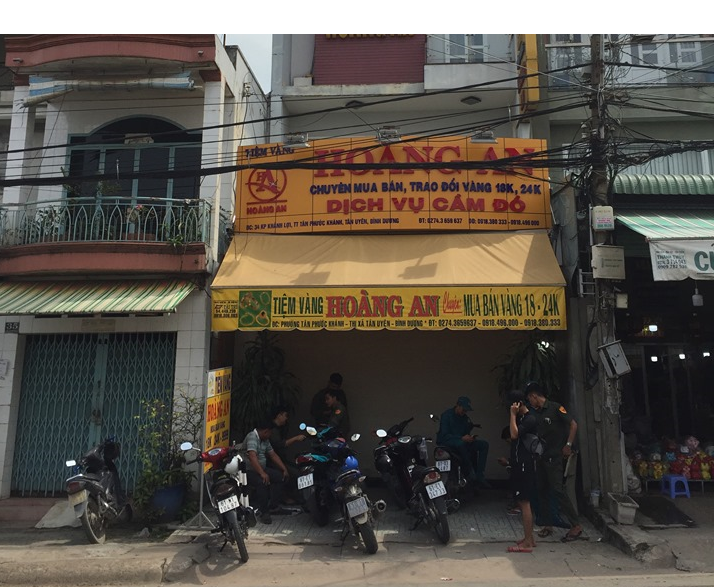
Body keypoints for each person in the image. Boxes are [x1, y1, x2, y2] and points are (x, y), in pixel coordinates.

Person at [525, 381, 583, 542]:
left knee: (558, 489)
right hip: (540, 457)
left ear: (534, 396)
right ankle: (547, 524)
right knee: (542, 490)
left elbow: (573, 424)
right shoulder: (534, 412)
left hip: (554, 456)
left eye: (529, 398)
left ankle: (576, 525)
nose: (530, 402)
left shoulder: (555, 408)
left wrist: (568, 445)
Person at [506, 390, 539, 553]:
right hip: (518, 463)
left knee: (524, 502)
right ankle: (529, 538)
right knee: (522, 501)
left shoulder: (529, 419)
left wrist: (512, 415)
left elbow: (514, 434)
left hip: (525, 464)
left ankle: (527, 543)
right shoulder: (522, 418)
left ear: (518, 404)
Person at [436, 396, 490, 489]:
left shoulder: (465, 418)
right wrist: (461, 438)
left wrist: (470, 437)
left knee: (484, 445)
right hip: (449, 441)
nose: (464, 412)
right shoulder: (446, 415)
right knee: (460, 444)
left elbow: (466, 432)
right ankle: (469, 471)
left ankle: (479, 474)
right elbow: (444, 434)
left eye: (466, 410)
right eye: (463, 409)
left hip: (463, 441)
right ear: (458, 406)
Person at [243, 421, 289, 524]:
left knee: (280, 477)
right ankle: (264, 512)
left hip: (262, 468)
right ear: (265, 431)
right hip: (249, 470)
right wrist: (262, 473)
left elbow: (273, 455)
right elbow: (252, 457)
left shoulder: (265, 440)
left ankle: (273, 506)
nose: (270, 435)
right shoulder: (252, 437)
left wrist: (284, 469)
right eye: (270, 433)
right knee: (262, 482)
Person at [269, 405, 307, 504]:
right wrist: (296, 438)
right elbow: (280, 444)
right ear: (279, 415)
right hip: (273, 462)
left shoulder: (280, 428)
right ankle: (288, 497)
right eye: (285, 415)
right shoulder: (273, 430)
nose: (286, 418)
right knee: (294, 474)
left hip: (280, 459)